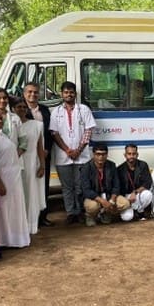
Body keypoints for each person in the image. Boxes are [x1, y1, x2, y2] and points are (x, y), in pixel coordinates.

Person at [0, 108, 30, 248]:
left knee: (15, 207)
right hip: (2, 178)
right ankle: (4, 239)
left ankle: (16, 238)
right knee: (3, 209)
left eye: (0, 119)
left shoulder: (3, 136)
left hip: (14, 177)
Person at [50, 81, 96, 224]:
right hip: (63, 156)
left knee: (80, 186)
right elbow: (54, 132)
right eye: (66, 92)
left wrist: (78, 150)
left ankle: (80, 211)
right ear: (61, 94)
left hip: (81, 156)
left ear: (75, 94)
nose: (68, 94)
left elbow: (88, 130)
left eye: (71, 92)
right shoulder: (56, 112)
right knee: (67, 187)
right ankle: (71, 213)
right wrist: (67, 150)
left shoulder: (84, 109)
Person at [11, 97, 46, 235]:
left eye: (23, 107)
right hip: (15, 162)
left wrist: (42, 165)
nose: (21, 109)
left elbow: (40, 147)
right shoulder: (10, 124)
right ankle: (19, 227)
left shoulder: (36, 125)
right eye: (18, 107)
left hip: (32, 162)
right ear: (13, 109)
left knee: (31, 194)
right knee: (18, 194)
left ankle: (31, 226)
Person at [23, 82, 53, 227]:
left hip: (43, 154)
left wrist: (46, 149)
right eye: (29, 92)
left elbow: (50, 132)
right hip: (26, 154)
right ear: (24, 94)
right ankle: (28, 218)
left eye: (35, 92)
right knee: (28, 186)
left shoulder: (45, 110)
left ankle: (42, 217)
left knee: (43, 185)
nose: (32, 95)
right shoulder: (19, 110)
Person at [81, 143, 130, 226]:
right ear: (94, 155)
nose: (101, 157)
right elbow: (86, 190)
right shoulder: (86, 168)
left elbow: (116, 185)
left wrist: (112, 200)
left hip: (108, 195)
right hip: (94, 197)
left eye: (103, 154)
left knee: (125, 203)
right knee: (92, 206)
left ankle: (106, 213)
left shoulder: (111, 165)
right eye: (98, 154)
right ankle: (90, 216)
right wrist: (103, 201)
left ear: (107, 155)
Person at [117, 144, 153, 221]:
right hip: (126, 196)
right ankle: (134, 211)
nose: (131, 156)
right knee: (127, 218)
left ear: (137, 154)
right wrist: (126, 200)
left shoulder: (143, 165)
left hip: (138, 194)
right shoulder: (120, 169)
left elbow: (147, 183)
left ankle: (139, 211)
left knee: (148, 194)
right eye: (129, 154)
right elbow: (118, 188)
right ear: (125, 155)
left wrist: (135, 192)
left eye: (134, 154)